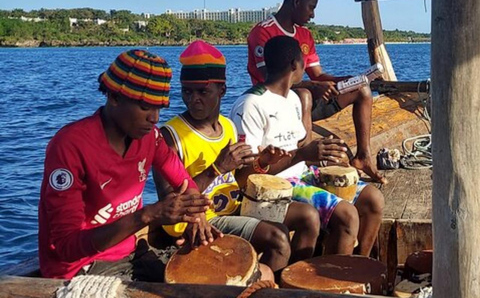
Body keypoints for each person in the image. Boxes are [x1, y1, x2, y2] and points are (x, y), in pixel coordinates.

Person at [38, 49, 216, 280]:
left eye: (158, 108)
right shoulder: (70, 146)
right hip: (82, 268)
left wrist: (197, 216)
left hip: (129, 254)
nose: (154, 118)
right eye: (144, 107)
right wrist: (147, 216)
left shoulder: (150, 138)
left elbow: (184, 182)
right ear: (114, 97)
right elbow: (66, 246)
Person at [154, 40, 320, 274]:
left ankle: (284, 284)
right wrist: (216, 169)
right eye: (187, 91)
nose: (194, 99)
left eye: (203, 92)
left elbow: (238, 182)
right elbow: (170, 205)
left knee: (308, 216)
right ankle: (266, 286)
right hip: (201, 221)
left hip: (232, 207)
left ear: (222, 90)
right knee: (278, 238)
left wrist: (262, 163)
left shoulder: (228, 127)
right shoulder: (170, 136)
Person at [231, 36, 384, 256]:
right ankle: (330, 281)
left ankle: (358, 269)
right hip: (275, 186)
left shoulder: (293, 98)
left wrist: (324, 154)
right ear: (295, 64)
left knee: (373, 199)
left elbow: (300, 151)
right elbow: (244, 176)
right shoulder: (251, 105)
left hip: (301, 174)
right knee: (347, 215)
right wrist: (302, 154)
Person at [247, 0, 387, 184]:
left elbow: (318, 76)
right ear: (296, 2)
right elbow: (269, 80)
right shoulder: (263, 32)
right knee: (303, 94)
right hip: (277, 105)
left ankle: (363, 157)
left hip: (306, 103)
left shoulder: (305, 35)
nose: (312, 14)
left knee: (363, 90)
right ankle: (307, 159)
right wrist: (312, 86)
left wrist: (351, 80)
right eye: (310, 7)